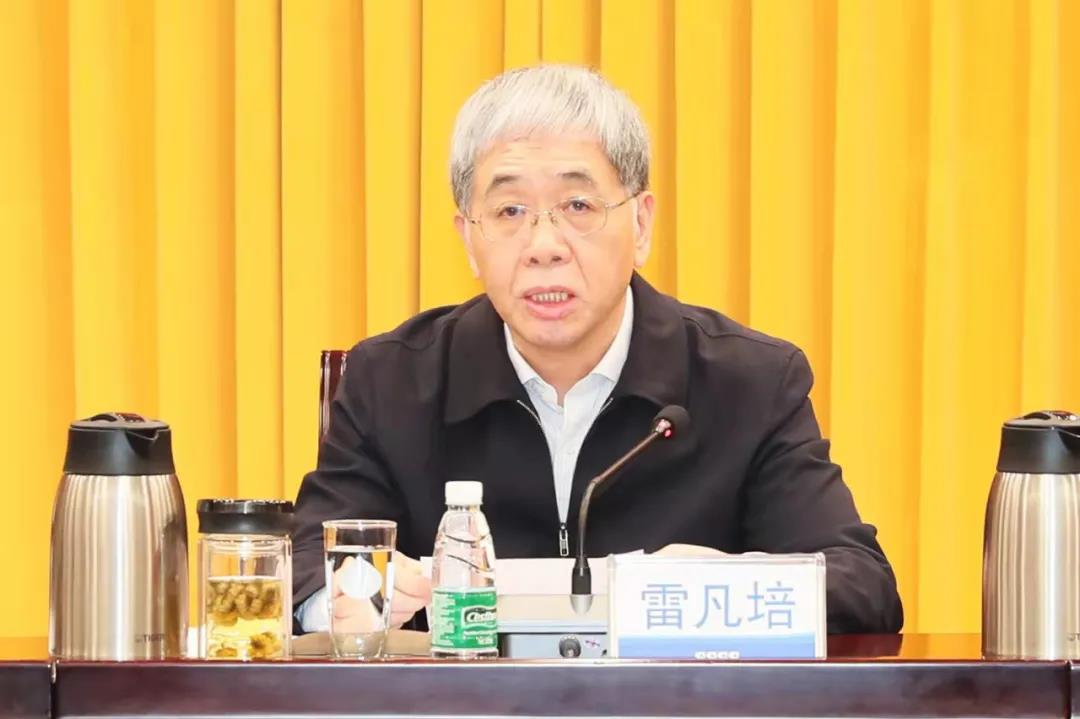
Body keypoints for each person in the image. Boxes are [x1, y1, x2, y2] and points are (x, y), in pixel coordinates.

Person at [292, 64, 903, 635]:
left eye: (578, 206)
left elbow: (862, 587)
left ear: (641, 224)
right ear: (470, 241)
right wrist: (351, 596)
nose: (544, 245)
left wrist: (713, 586)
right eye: (509, 211)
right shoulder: (392, 380)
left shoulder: (749, 382)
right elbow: (305, 567)